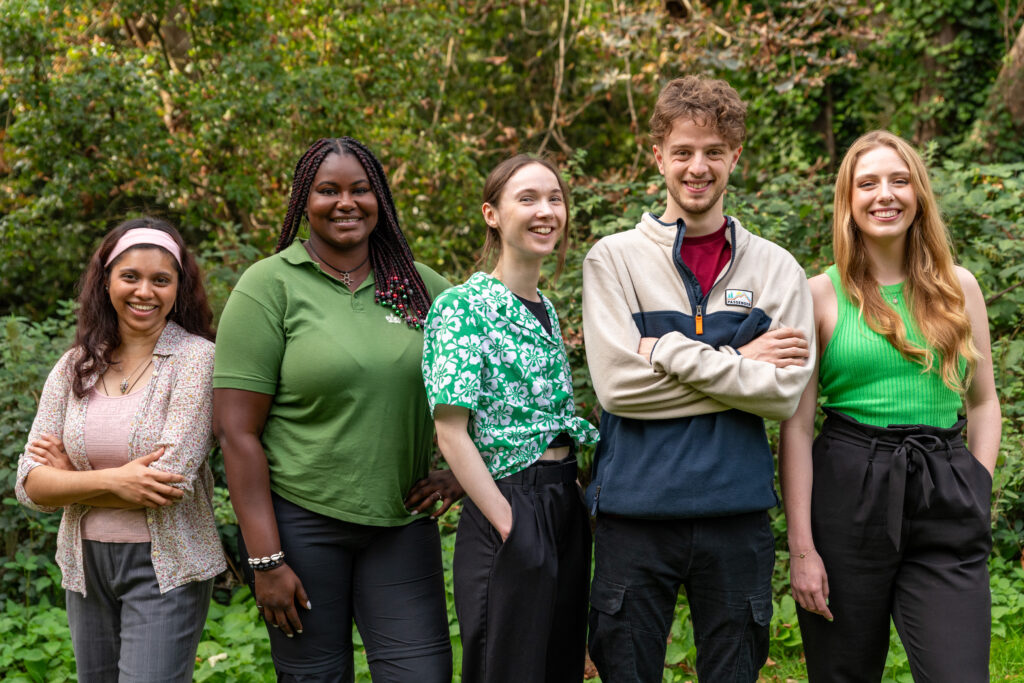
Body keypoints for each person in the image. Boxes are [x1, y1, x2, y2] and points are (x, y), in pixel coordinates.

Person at [581, 75, 815, 682]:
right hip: (634, 512)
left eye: (714, 151)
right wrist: (742, 363)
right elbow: (617, 390)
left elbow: (783, 392)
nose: (698, 167)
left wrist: (661, 348)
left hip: (735, 514)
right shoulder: (613, 260)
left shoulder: (777, 267)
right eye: (682, 151)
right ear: (657, 156)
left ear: (736, 155)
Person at [212, 136, 457, 682]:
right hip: (300, 527)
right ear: (304, 200)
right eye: (328, 190)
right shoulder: (268, 285)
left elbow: (497, 383)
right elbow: (236, 433)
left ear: (381, 199)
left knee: (423, 674)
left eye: (360, 189)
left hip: (401, 524)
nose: (345, 203)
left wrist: (461, 475)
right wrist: (266, 561)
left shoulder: (422, 288)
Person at [778, 130, 1001, 682]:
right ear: (848, 202)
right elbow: (798, 428)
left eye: (900, 181)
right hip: (848, 491)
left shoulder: (960, 288)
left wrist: (977, 482)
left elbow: (985, 401)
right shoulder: (818, 295)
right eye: (868, 183)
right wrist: (802, 547)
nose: (886, 194)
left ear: (918, 194)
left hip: (944, 486)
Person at [15, 217, 225, 682]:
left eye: (161, 280)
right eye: (130, 276)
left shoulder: (196, 360)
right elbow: (28, 483)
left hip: (166, 564)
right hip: (84, 564)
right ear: (106, 281)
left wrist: (67, 481)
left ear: (179, 289)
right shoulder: (75, 367)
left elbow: (168, 483)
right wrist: (114, 480)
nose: (144, 291)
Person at [422, 154, 599, 683]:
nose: (546, 211)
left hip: (563, 500)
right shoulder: (463, 306)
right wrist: (509, 522)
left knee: (558, 665)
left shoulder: (546, 306)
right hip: (510, 503)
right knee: (509, 669)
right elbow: (451, 433)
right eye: (527, 199)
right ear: (492, 214)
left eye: (555, 198)